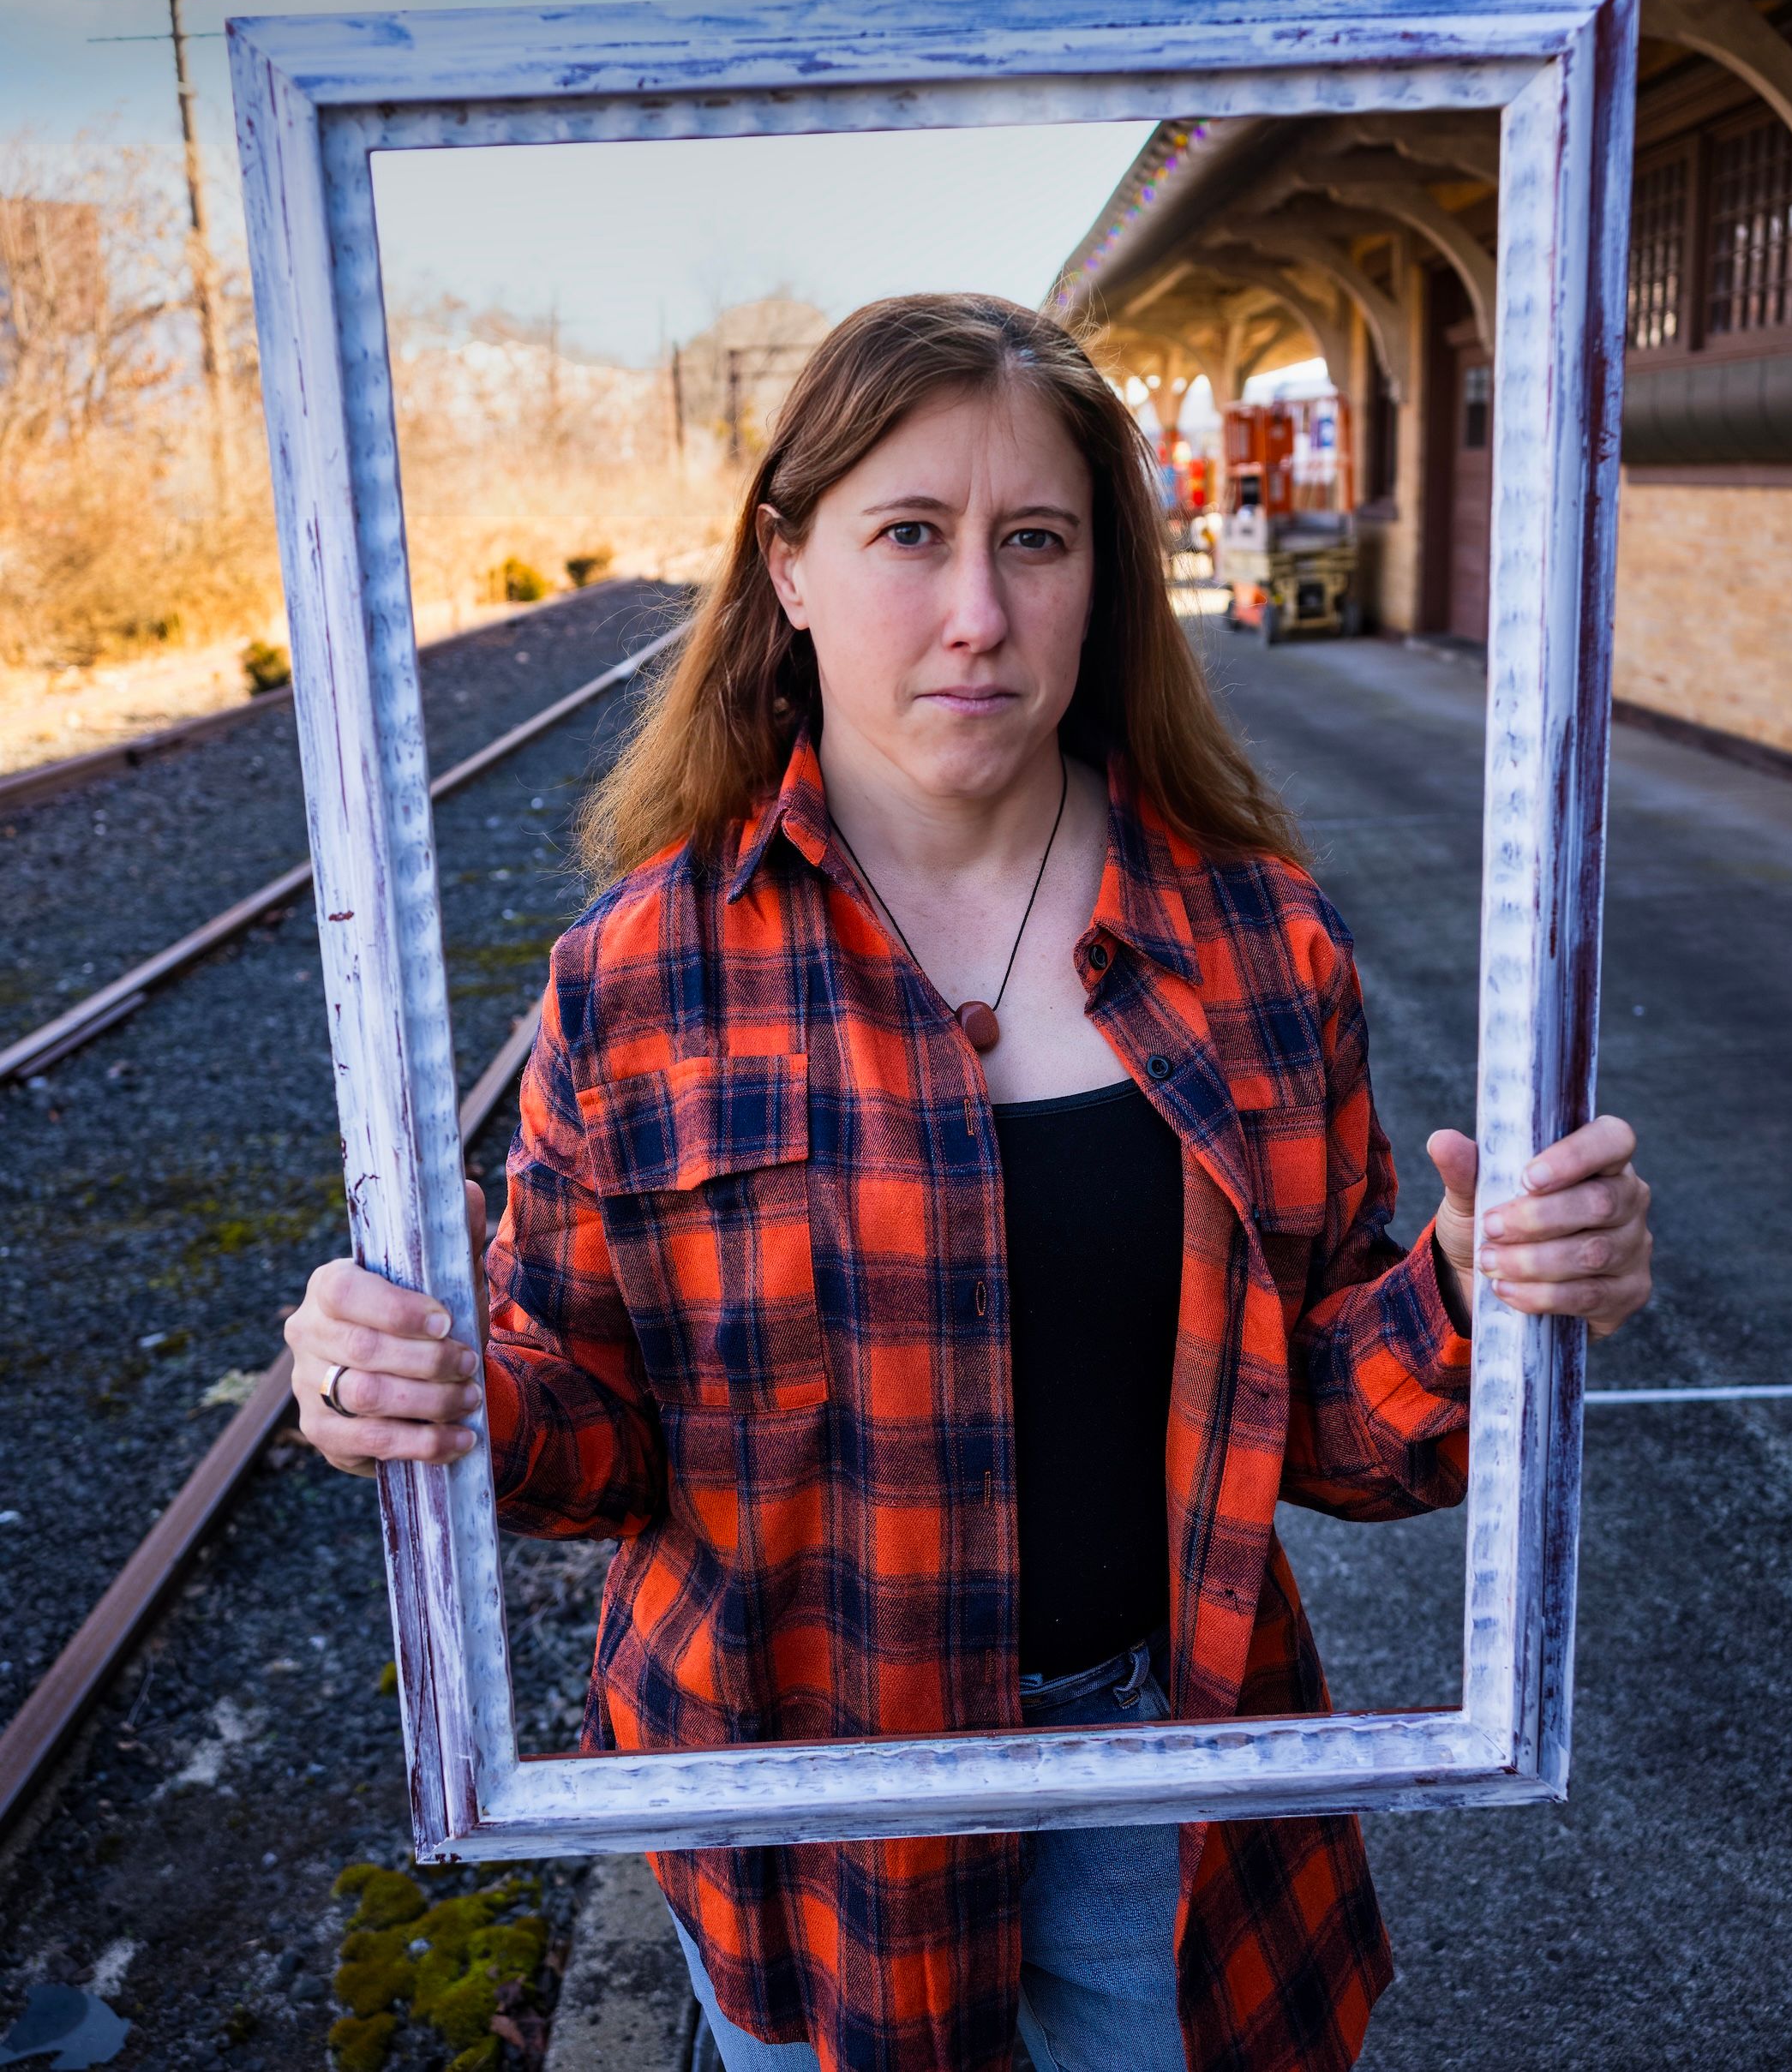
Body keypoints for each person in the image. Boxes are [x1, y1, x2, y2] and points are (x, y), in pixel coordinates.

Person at [285, 294, 1652, 2072]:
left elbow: (1328, 1427)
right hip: (800, 1809)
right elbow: (587, 1445)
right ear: (788, 564)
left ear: (1103, 575)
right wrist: (414, 1386)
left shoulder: (1256, 945)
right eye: (909, 535)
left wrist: (1487, 1288)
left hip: (1167, 1798)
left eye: (1035, 540)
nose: (979, 614)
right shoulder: (639, 976)